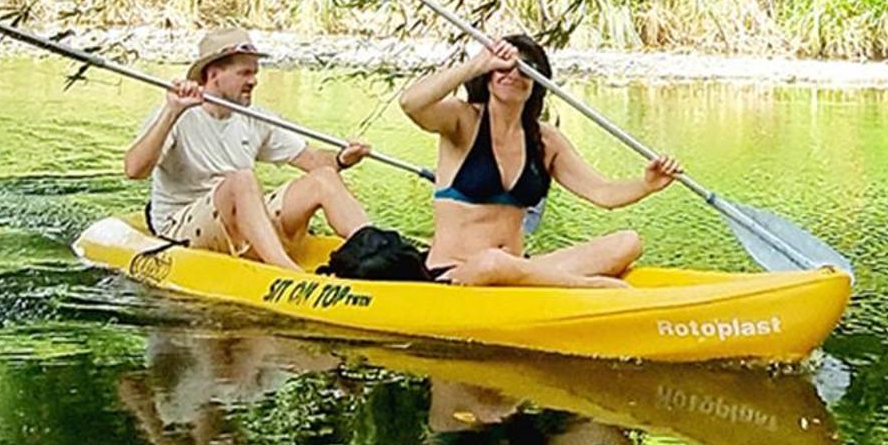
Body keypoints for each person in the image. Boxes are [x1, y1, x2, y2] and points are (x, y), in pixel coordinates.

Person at [398, 34, 680, 287]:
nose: (512, 74)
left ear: (536, 81)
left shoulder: (546, 140)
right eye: (503, 67)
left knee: (627, 242)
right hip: (459, 272)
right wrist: (478, 62)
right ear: (488, 76)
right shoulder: (463, 120)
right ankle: (589, 287)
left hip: (519, 267)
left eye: (525, 69)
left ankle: (539, 280)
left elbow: (602, 193)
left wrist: (646, 184)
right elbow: (411, 103)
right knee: (493, 262)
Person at [123, 28, 373, 272]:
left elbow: (314, 160)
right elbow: (134, 170)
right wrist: (172, 112)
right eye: (244, 73)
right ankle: (286, 272)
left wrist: (342, 158)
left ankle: (377, 251)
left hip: (240, 214)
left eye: (254, 73)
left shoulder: (255, 118)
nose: (253, 81)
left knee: (324, 178)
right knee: (242, 179)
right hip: (180, 224)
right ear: (213, 74)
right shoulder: (175, 114)